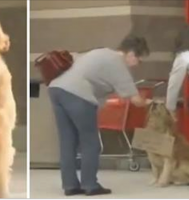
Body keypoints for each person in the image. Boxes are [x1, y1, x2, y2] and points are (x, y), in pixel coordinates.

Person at [48, 35, 150, 196]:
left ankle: (70, 185)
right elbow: (135, 100)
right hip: (78, 94)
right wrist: (150, 102)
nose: (137, 64)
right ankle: (90, 185)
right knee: (90, 142)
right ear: (131, 54)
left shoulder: (100, 52)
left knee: (67, 141)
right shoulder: (118, 64)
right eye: (139, 60)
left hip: (56, 89)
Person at [166, 26, 189, 120]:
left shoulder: (184, 30)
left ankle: (170, 109)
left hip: (184, 53)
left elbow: (174, 84)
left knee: (174, 82)